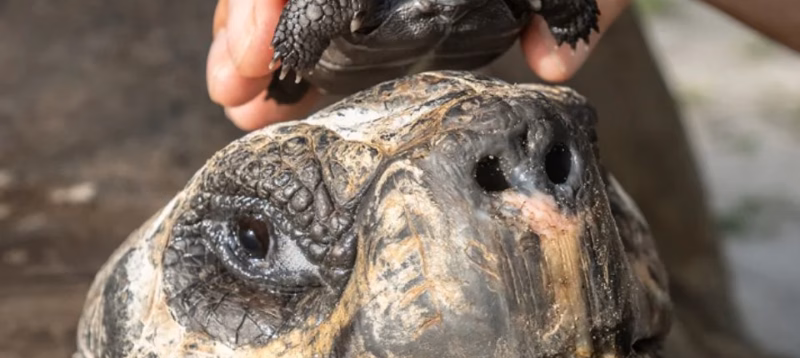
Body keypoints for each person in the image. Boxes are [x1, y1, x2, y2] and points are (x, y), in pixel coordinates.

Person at [207, 0, 800, 131]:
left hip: (472, 41)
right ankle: (288, 79)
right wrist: (296, 51)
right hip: (354, 57)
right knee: (284, 60)